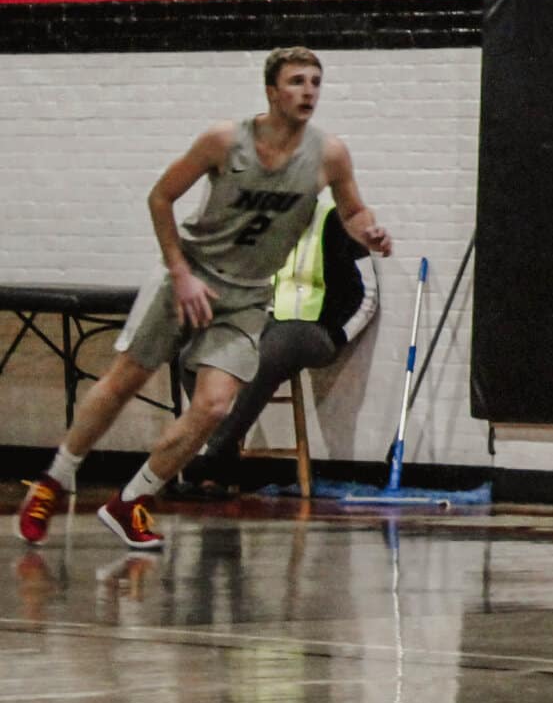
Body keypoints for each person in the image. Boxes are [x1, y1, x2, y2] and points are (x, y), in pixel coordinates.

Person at [17, 48, 392, 552]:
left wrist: (369, 230)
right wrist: (179, 272)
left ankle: (132, 500)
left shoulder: (329, 154)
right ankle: (55, 480)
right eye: (297, 81)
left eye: (316, 82)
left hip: (246, 297)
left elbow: (352, 210)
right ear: (271, 91)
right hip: (189, 276)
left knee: (214, 405)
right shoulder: (224, 140)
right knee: (125, 379)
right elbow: (160, 197)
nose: (308, 91)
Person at [187, 185, 379, 487]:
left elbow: (368, 294)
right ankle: (223, 458)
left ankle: (212, 456)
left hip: (314, 330)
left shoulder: (338, 220)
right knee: (192, 345)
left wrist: (339, 336)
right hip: (266, 322)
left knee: (274, 347)